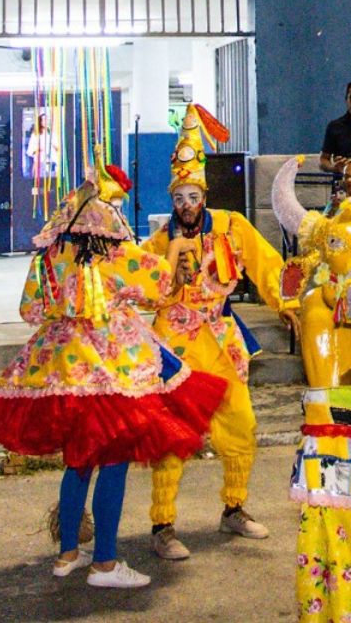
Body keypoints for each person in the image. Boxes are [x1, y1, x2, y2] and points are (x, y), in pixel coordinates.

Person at [0, 160, 225, 591]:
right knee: (114, 462)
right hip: (113, 370)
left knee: (78, 461)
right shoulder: (116, 255)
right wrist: (176, 250)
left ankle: (68, 554)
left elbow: (30, 309)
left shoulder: (51, 255)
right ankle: (105, 563)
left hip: (62, 369)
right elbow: (159, 288)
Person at [141, 105, 286, 562]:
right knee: (172, 434)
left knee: (241, 423)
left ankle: (234, 508)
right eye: (179, 197)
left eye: (193, 196)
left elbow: (267, 266)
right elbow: (141, 289)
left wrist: (288, 305)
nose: (186, 205)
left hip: (222, 341)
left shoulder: (231, 226)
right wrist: (169, 270)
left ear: (204, 194)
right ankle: (162, 525)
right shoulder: (159, 242)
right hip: (176, 347)